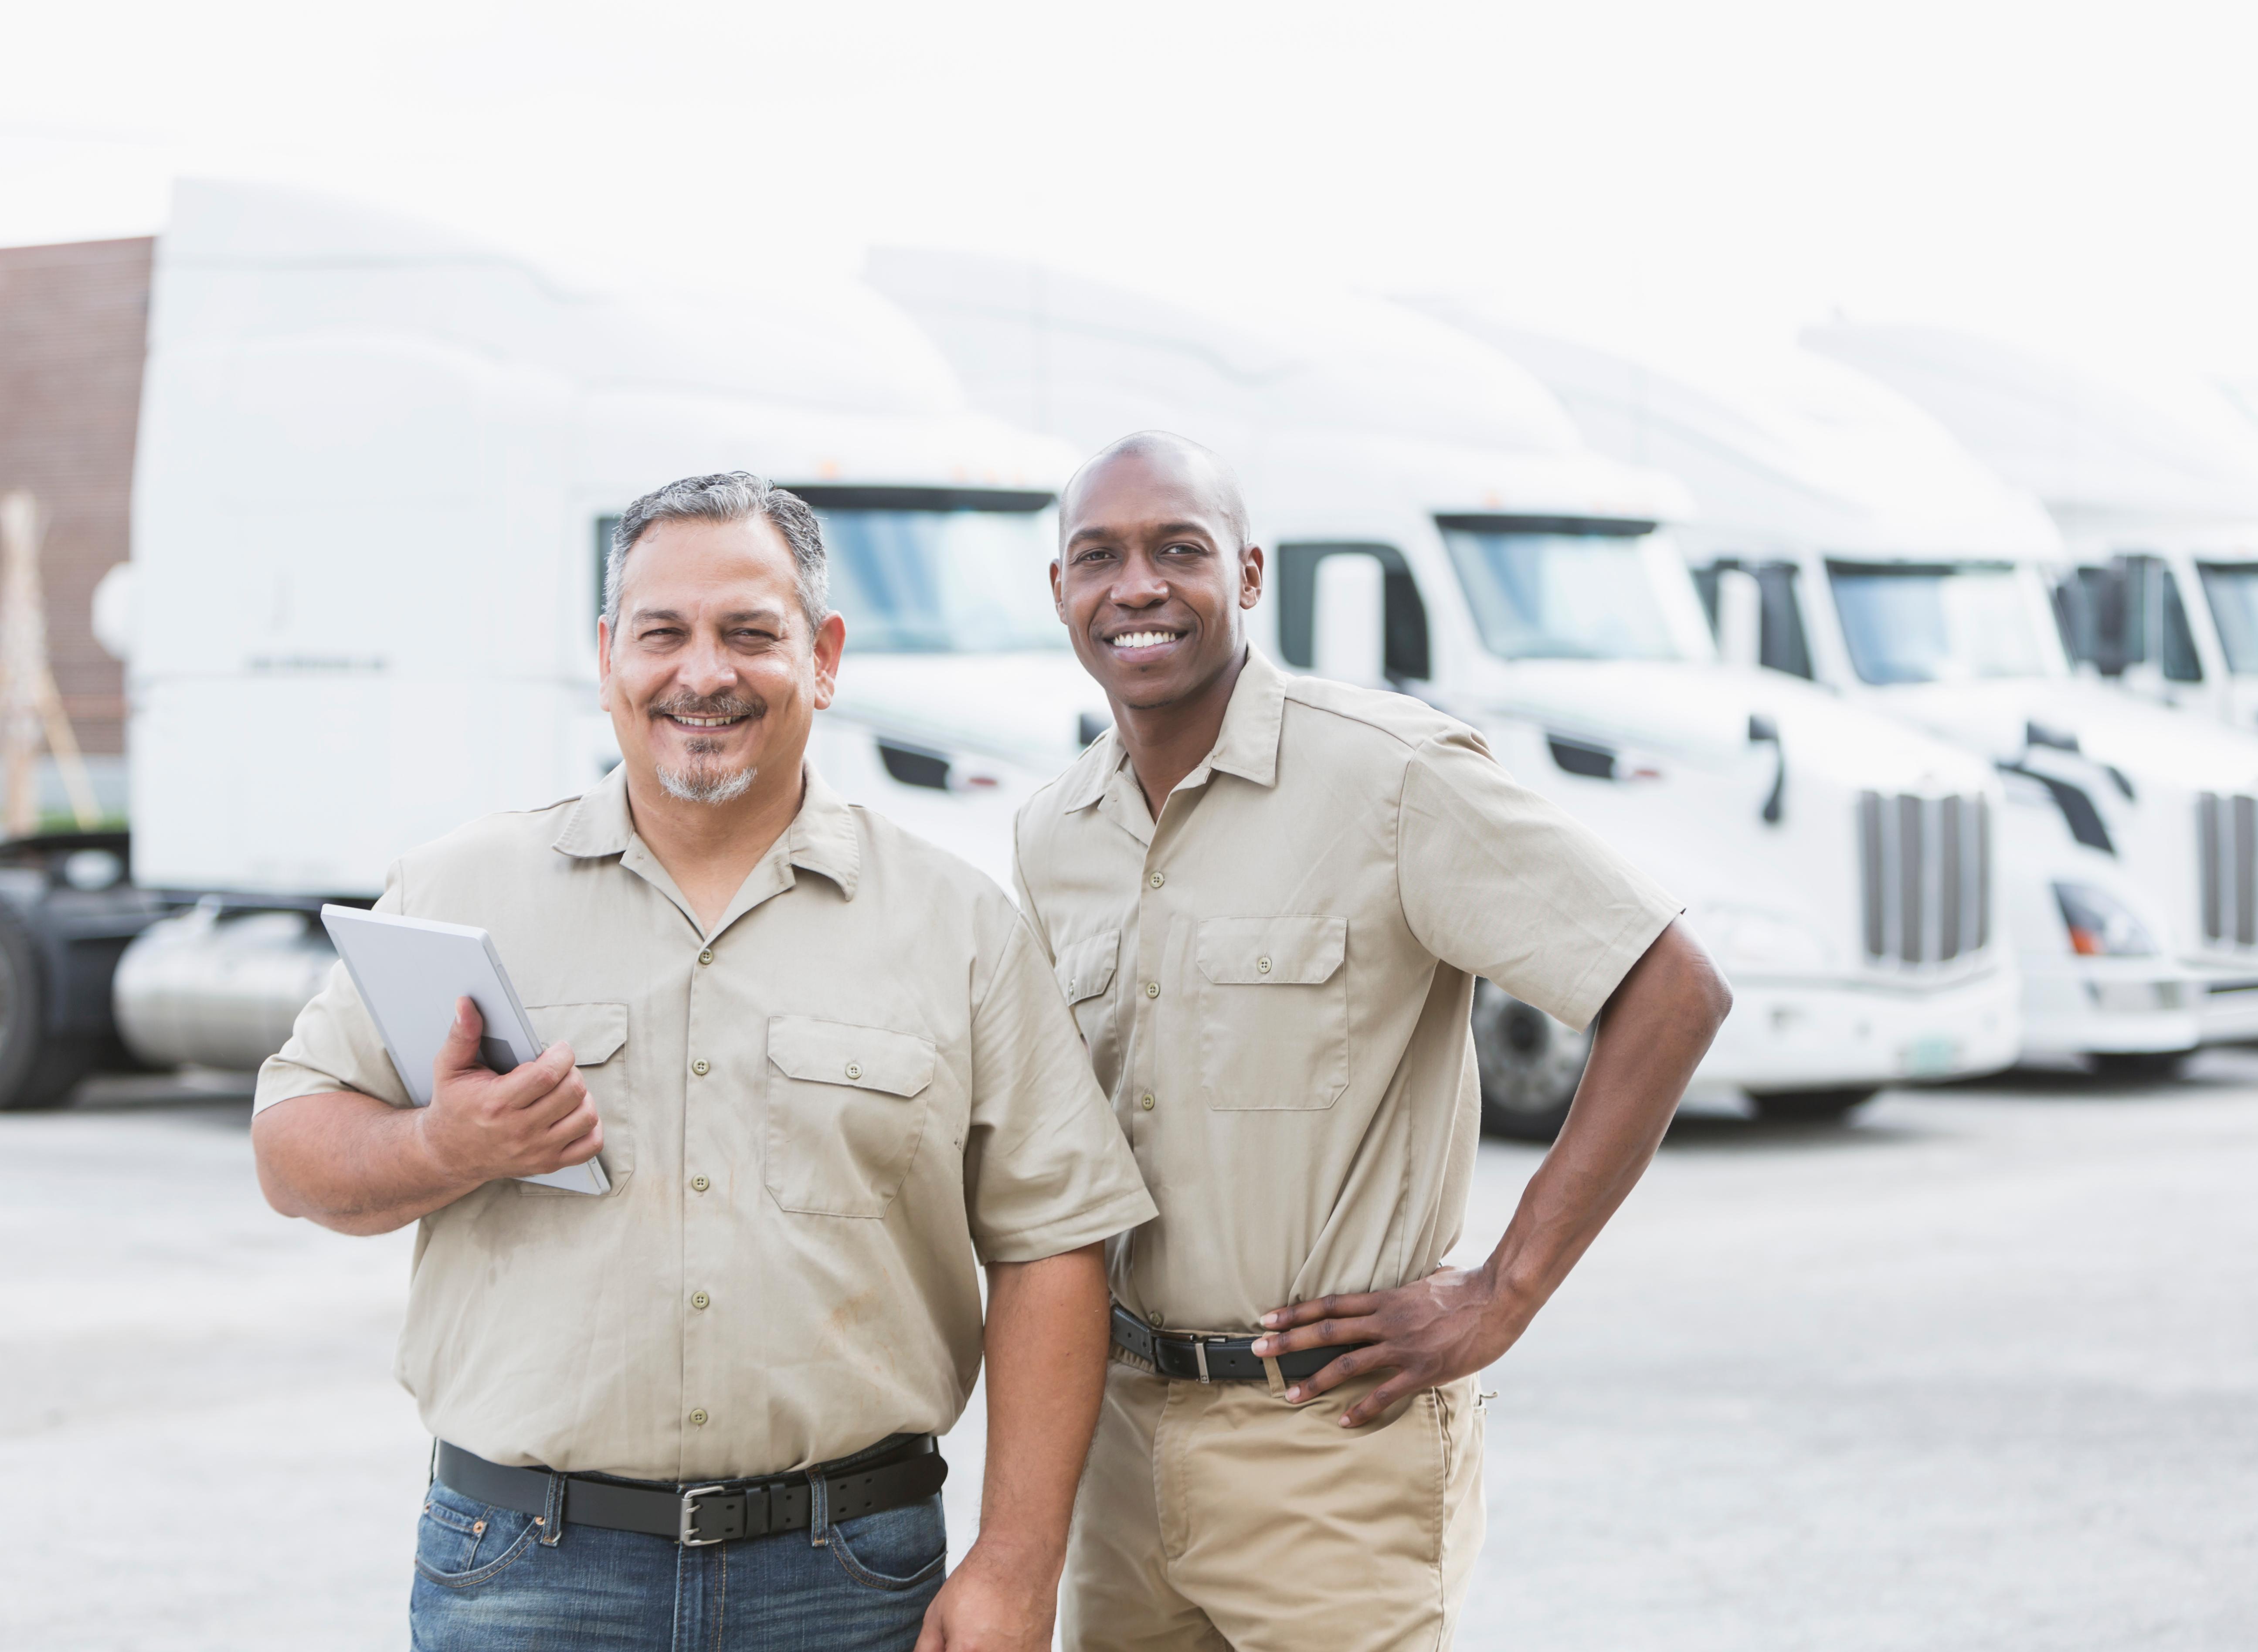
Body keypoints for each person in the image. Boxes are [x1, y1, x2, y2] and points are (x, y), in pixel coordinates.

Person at [251, 472, 1157, 1652]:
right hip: (527, 1577)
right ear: (607, 655)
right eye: (662, 633)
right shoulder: (458, 892)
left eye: (749, 634)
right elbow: (291, 1152)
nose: (703, 674)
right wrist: (442, 1145)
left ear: (824, 656)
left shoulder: (960, 927)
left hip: (851, 1581)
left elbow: (1052, 1248)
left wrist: (1018, 1566)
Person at [1014, 433, 1732, 1651]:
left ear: (1248, 577)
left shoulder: (1391, 777)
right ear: (1062, 594)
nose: (1136, 586)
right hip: (1121, 1447)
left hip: (1328, 1447)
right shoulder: (1054, 834)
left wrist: (1504, 1292)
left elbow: (1670, 989)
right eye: (1101, 557)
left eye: (1178, 551)